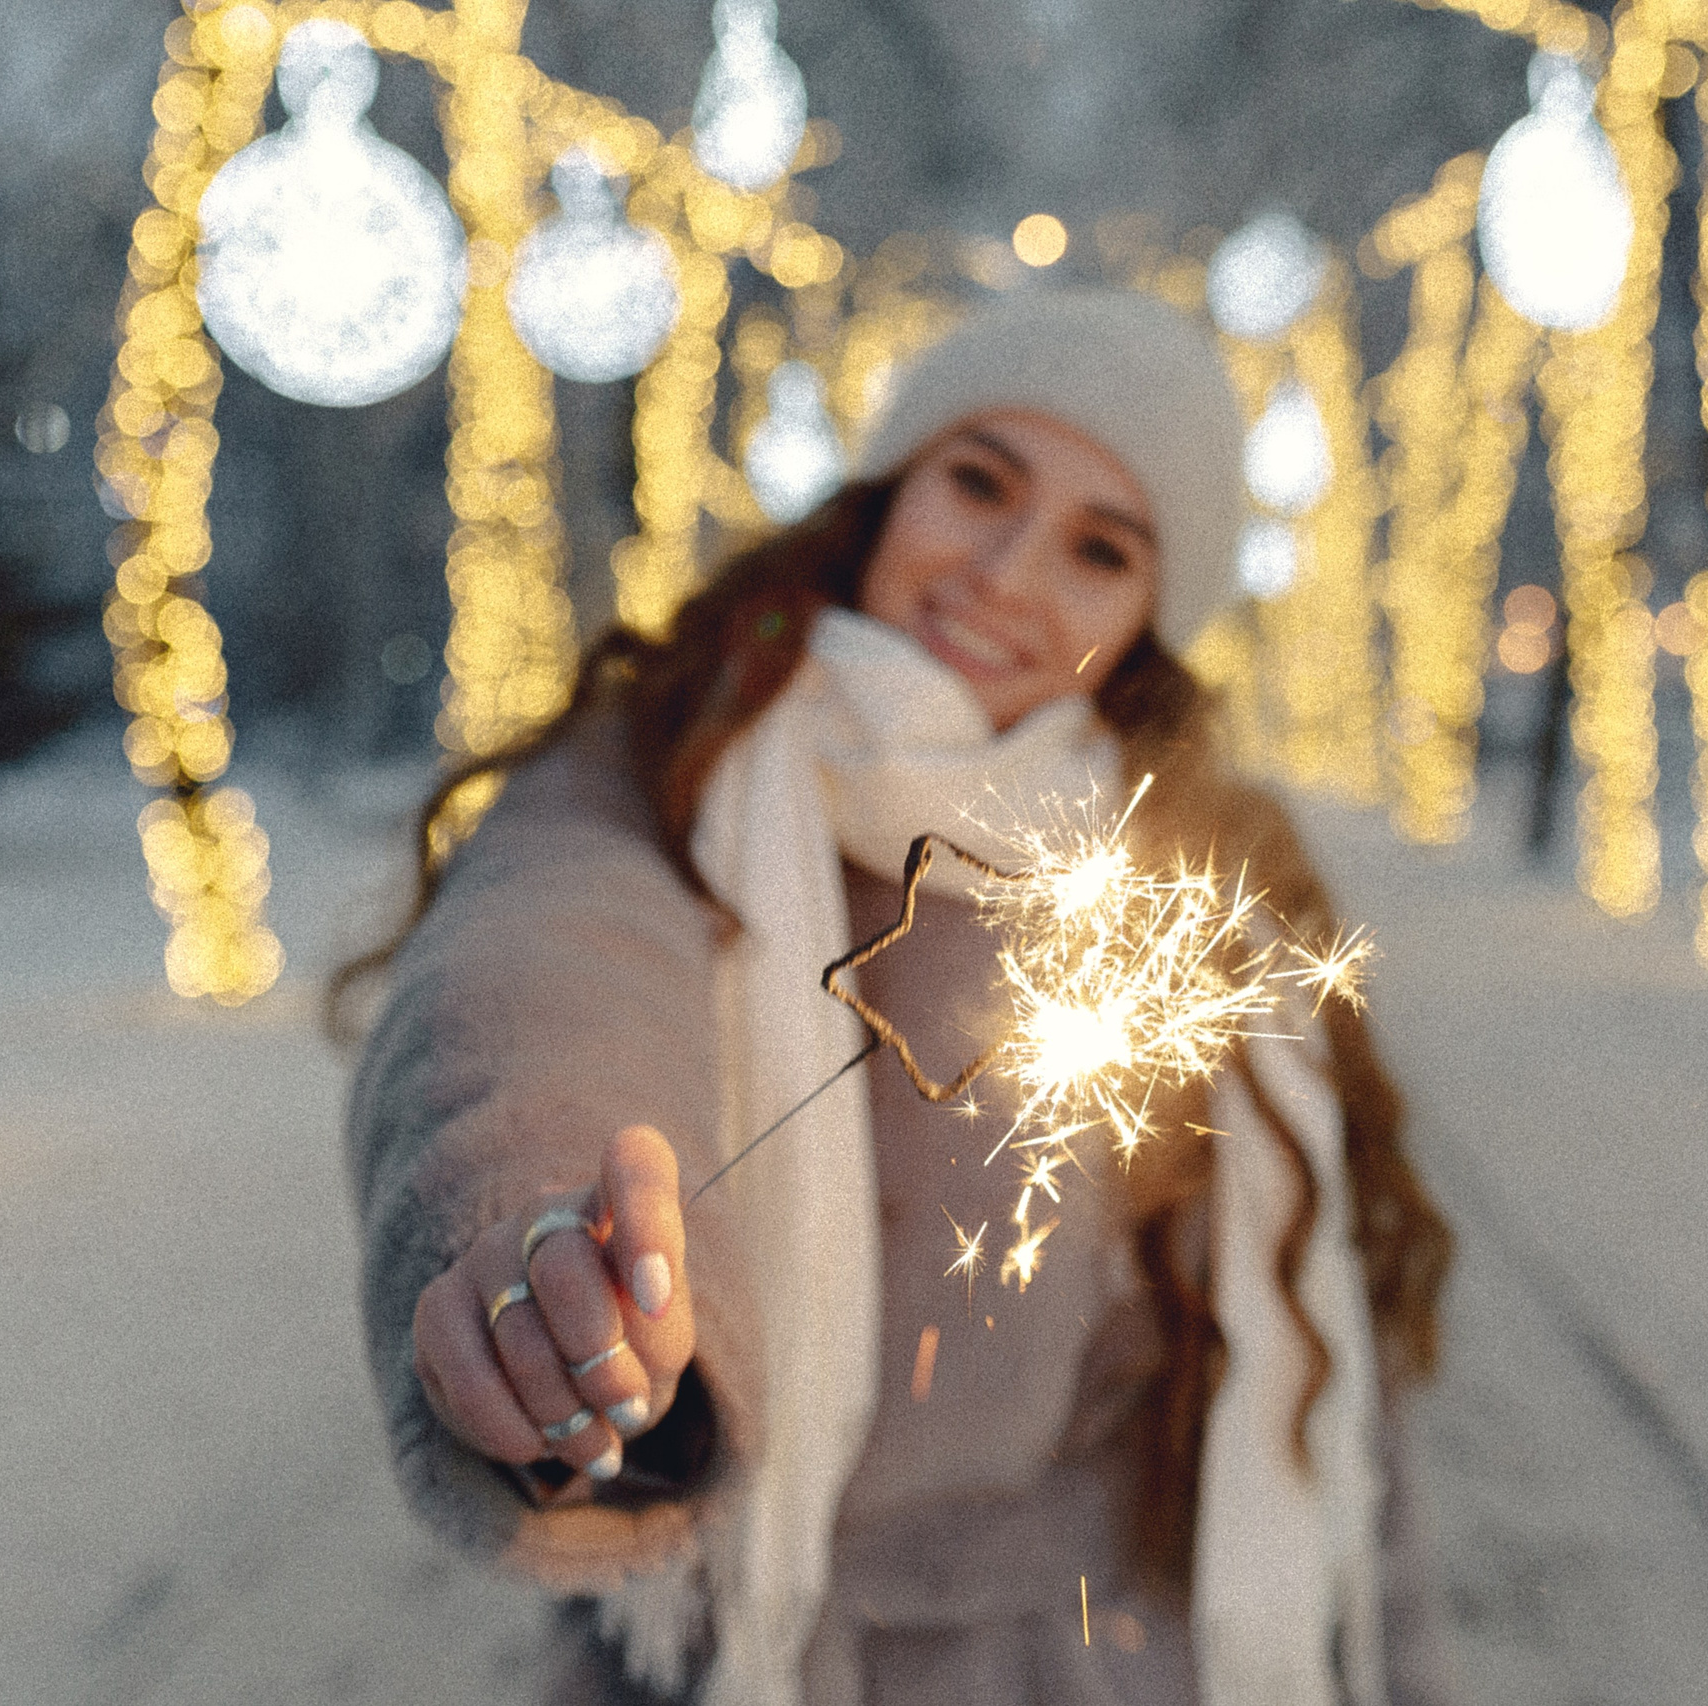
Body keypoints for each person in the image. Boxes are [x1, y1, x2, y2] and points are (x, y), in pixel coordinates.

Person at [342, 290, 1455, 1706]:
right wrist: (542, 1239)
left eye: (1099, 550)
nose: (1004, 570)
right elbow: (541, 981)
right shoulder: (672, 767)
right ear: (886, 491)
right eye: (979, 481)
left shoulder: (1201, 878)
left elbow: (1336, 1400)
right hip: (751, 1649)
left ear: (1150, 622)